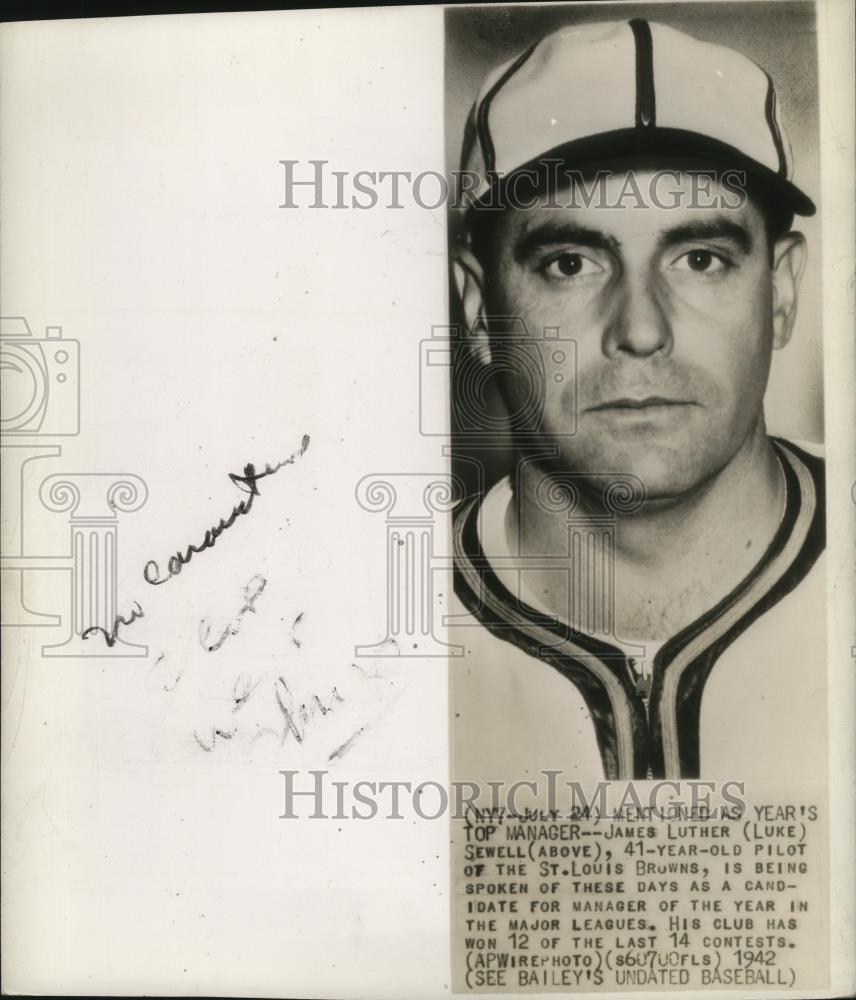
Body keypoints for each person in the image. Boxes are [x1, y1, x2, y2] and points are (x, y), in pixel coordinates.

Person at [450, 19, 825, 782]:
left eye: (700, 259)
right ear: (478, 306)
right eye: (569, 262)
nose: (642, 329)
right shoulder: (352, 625)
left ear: (781, 292)